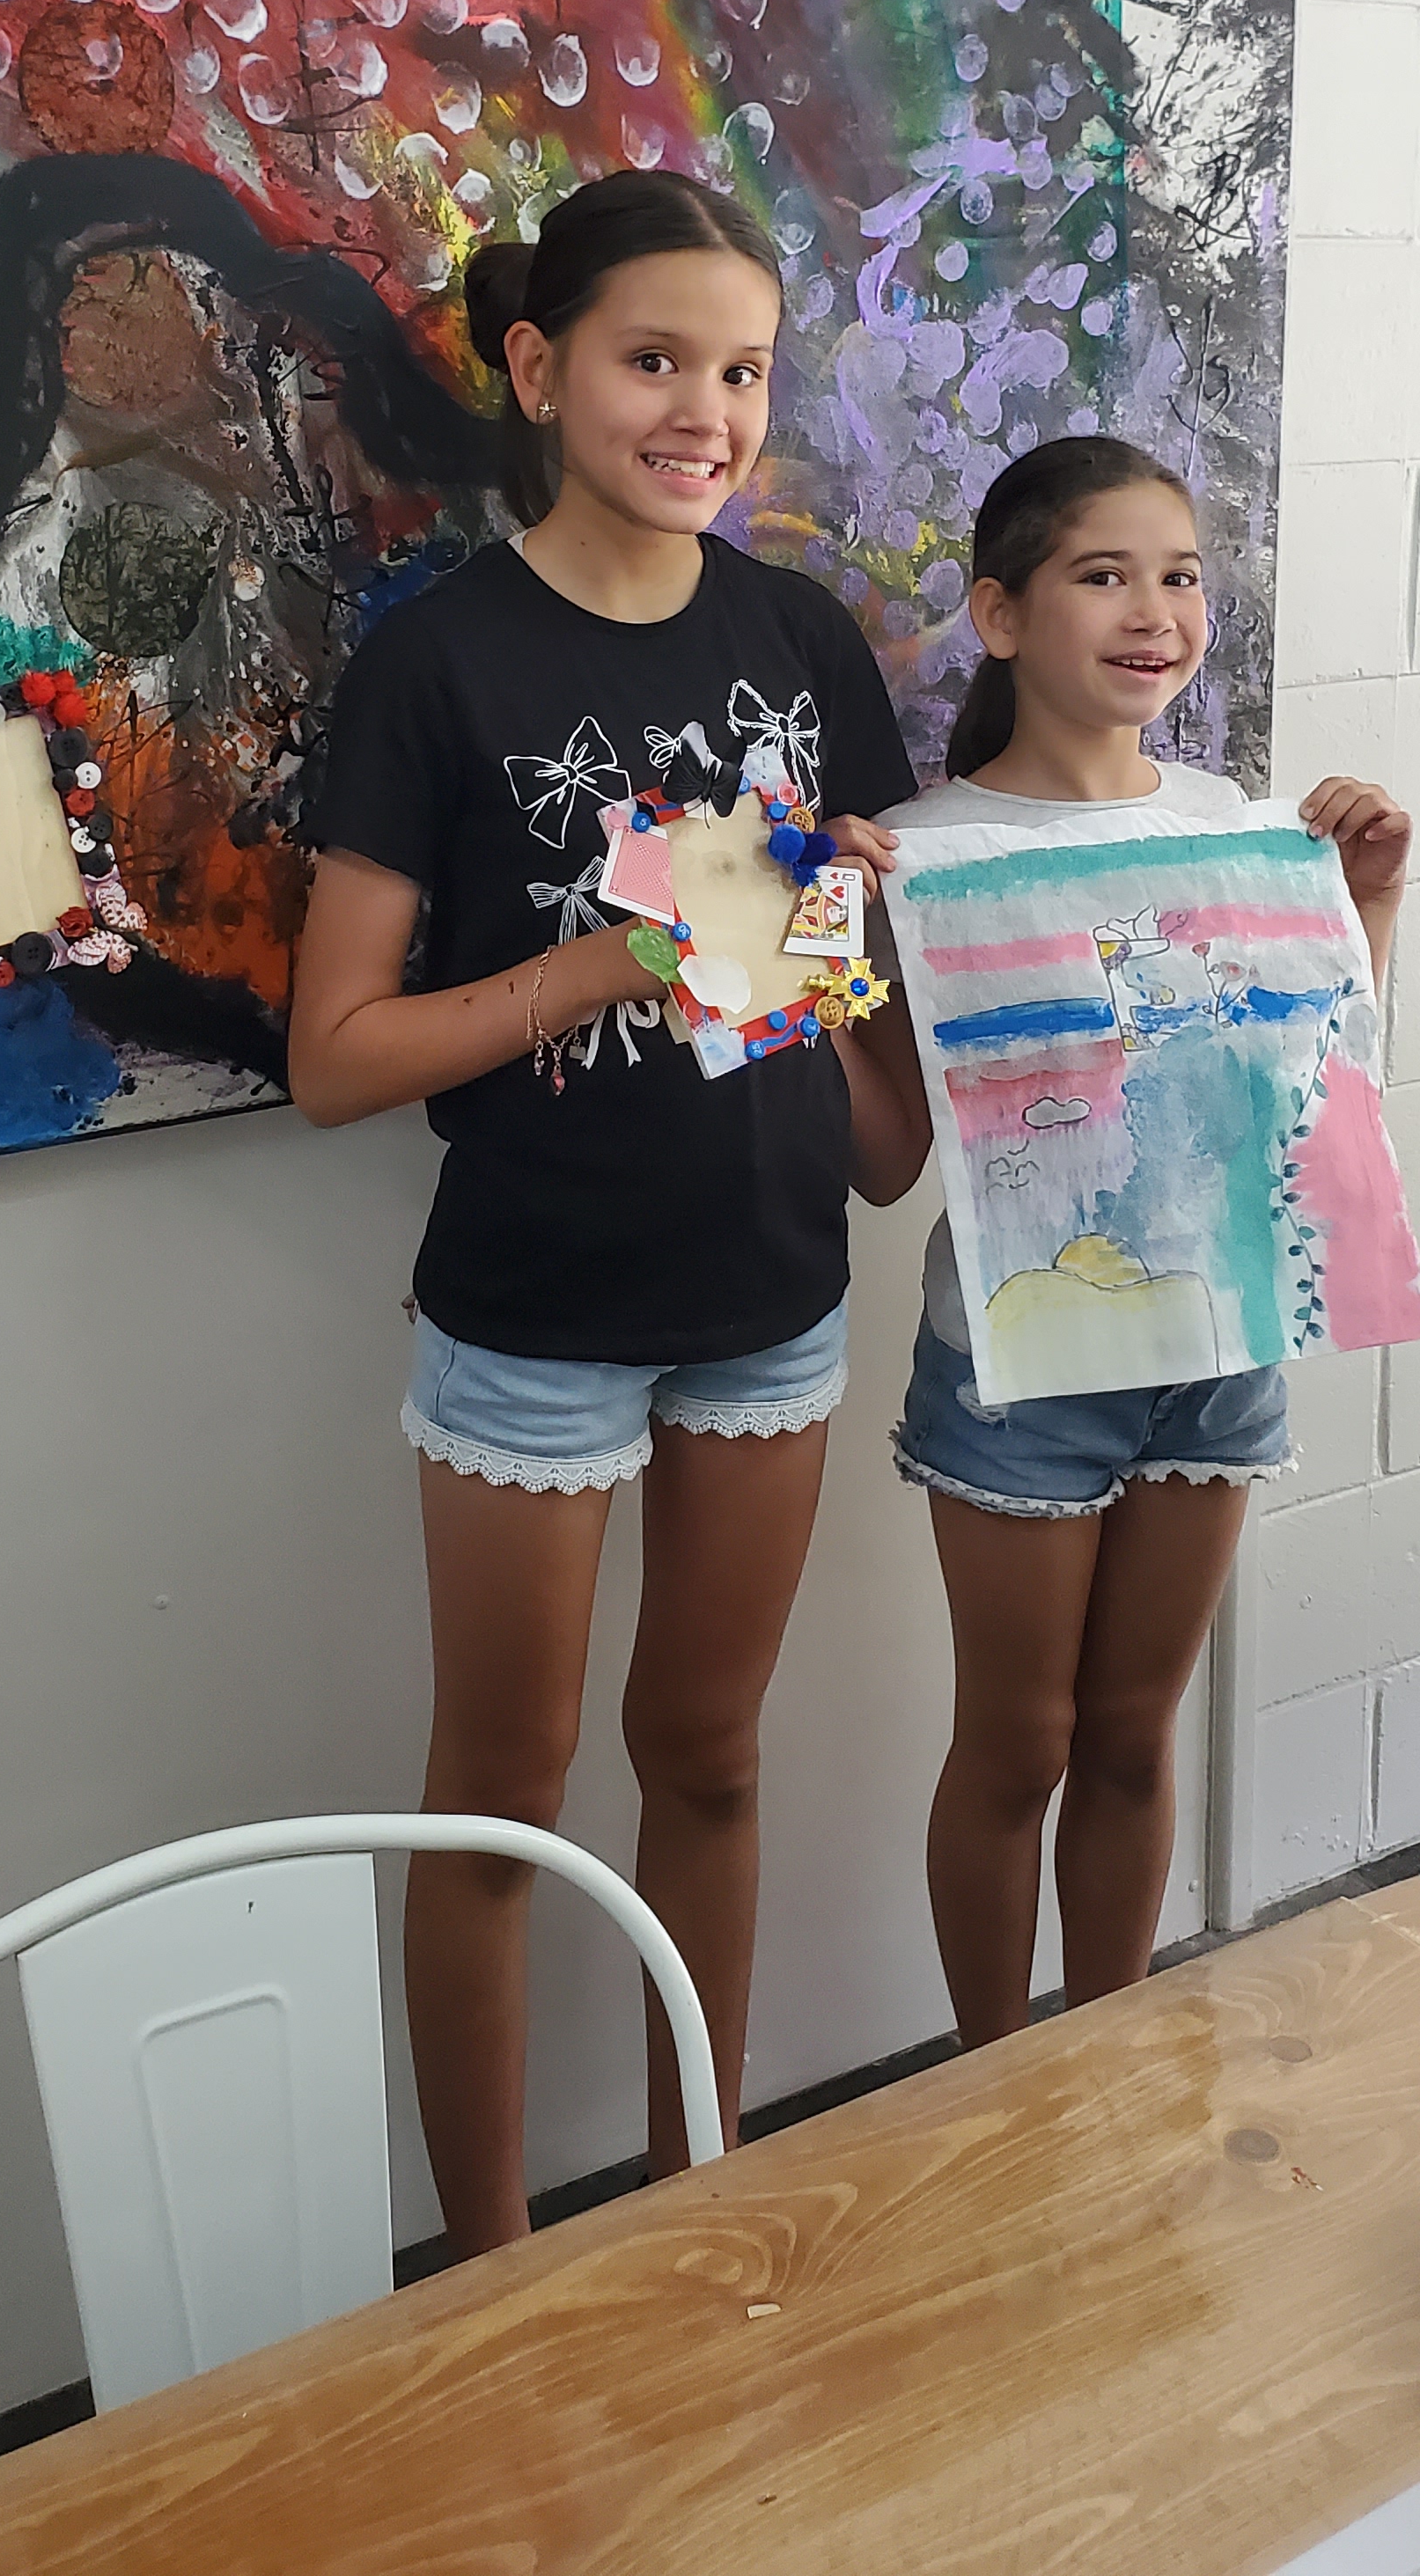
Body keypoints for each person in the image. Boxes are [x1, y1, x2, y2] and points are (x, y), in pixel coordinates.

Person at [288, 168, 926, 2255]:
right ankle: (482, 2277)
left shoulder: (800, 641)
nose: (704, 414)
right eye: (656, 361)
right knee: (499, 1801)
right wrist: (607, 961)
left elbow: (847, 1043)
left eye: (741, 373)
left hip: (775, 1292)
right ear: (538, 367)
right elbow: (334, 1057)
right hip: (532, 1314)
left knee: (712, 1758)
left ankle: (689, 2212)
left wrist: (870, 973)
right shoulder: (437, 663)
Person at [853, 433, 1411, 2049]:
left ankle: (1102, 2067)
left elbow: (1312, 1090)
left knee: (1131, 1738)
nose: (1154, 610)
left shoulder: (1238, 821)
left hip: (1219, 1356)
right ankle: (990, 2091)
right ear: (1002, 614)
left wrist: (1369, 903)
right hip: (1018, 1372)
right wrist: (812, 966)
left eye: (1180, 577)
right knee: (1016, 1746)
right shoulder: (920, 853)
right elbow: (885, 1163)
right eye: (1104, 575)